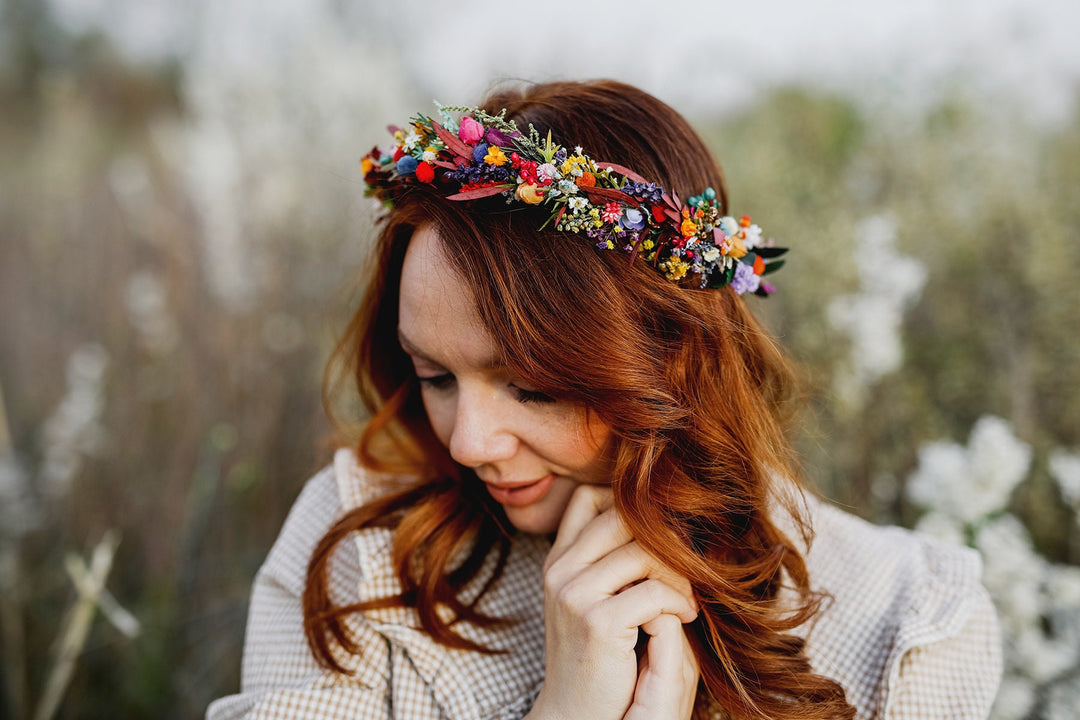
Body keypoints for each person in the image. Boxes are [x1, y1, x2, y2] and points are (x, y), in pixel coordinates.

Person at [206, 80, 1002, 720]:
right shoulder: (359, 555)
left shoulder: (911, 625)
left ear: (671, 359)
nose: (469, 443)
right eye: (435, 377)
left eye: (532, 388)